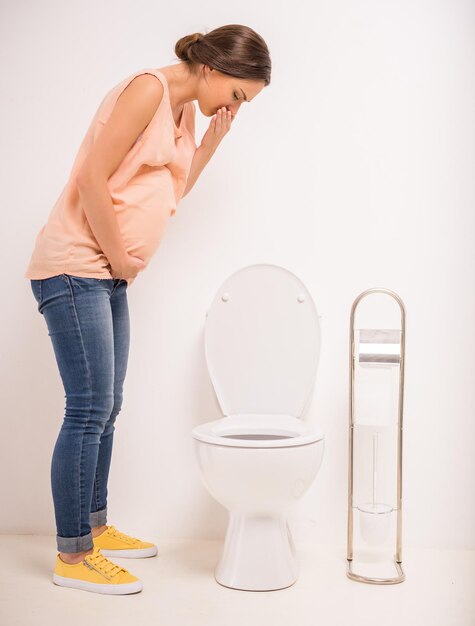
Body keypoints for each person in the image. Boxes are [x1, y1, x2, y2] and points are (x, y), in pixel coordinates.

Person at [25, 24, 271, 595]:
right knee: (86, 409)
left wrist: (211, 143)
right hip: (76, 266)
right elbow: (90, 176)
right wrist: (118, 255)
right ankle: (73, 555)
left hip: (106, 274)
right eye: (237, 94)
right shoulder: (147, 90)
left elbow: (170, 194)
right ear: (213, 66)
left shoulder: (184, 115)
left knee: (107, 406)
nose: (235, 105)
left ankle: (95, 526)